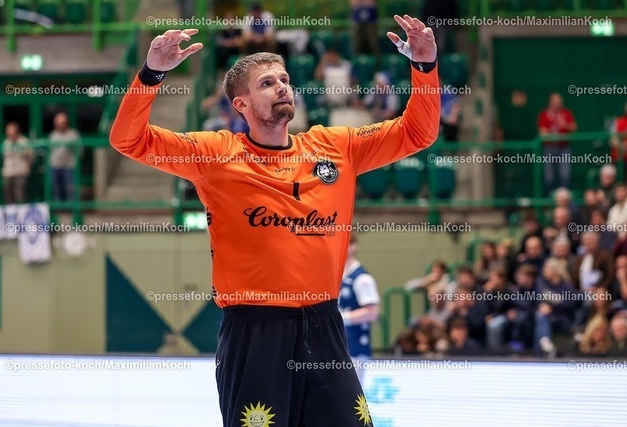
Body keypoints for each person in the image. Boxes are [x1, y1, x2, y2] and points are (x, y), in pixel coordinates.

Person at [109, 16, 440, 427]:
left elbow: (418, 133)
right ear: (241, 105)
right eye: (267, 83)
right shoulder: (215, 154)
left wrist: (424, 67)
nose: (282, 86)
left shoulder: (336, 147)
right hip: (254, 332)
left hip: (324, 325)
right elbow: (128, 140)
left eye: (284, 79)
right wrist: (151, 74)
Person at [338, 233, 380, 380]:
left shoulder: (362, 278)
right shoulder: (337, 276)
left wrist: (340, 318)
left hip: (355, 350)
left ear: (353, 246)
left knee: (350, 392)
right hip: (337, 348)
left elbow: (372, 313)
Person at [537, 93, 577, 193]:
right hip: (549, 148)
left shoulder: (566, 114)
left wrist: (565, 125)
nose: (557, 104)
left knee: (565, 175)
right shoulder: (544, 115)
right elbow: (542, 133)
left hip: (564, 148)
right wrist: (551, 131)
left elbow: (574, 128)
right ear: (550, 103)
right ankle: (550, 197)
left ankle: (564, 197)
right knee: (549, 177)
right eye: (555, 102)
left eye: (559, 102)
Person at [49, 112, 80, 202]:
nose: (59, 125)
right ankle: (58, 208)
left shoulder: (73, 134)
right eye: (57, 123)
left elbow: (79, 150)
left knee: (70, 189)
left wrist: (75, 162)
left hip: (69, 166)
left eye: (61, 123)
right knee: (56, 189)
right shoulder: (53, 135)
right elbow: (50, 150)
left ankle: (72, 207)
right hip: (55, 166)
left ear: (66, 123)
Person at [1, 122, 34, 204]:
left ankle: (21, 211)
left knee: (20, 196)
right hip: (8, 173)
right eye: (8, 131)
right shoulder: (6, 142)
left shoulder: (24, 142)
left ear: (16, 131)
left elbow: (31, 157)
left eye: (11, 131)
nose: (9, 133)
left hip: (20, 173)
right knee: (8, 196)